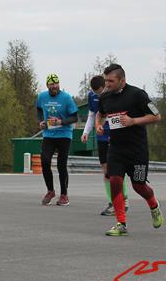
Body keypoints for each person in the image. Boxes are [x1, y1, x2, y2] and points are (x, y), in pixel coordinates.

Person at [96, 63, 164, 236]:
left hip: (137, 151)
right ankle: (121, 223)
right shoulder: (105, 97)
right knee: (115, 181)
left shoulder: (138, 95)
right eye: (105, 80)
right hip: (116, 149)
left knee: (139, 186)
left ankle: (154, 206)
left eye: (111, 81)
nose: (107, 84)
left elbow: (157, 116)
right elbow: (100, 114)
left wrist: (133, 121)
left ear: (122, 80)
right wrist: (98, 125)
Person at [82, 75, 129, 215]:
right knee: (106, 170)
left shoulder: (115, 93)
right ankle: (112, 202)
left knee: (116, 168)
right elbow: (92, 115)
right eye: (95, 93)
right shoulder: (92, 96)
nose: (98, 96)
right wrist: (86, 132)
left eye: (100, 92)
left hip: (115, 134)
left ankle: (123, 199)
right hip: (101, 135)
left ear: (105, 87)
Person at [36, 73, 78, 206]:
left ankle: (64, 195)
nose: (54, 86)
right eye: (51, 84)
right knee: (45, 161)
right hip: (49, 134)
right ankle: (50, 191)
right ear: (47, 85)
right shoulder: (42, 96)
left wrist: (61, 122)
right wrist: (41, 121)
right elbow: (38, 109)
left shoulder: (66, 98)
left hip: (64, 135)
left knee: (61, 164)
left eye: (56, 84)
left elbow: (75, 117)